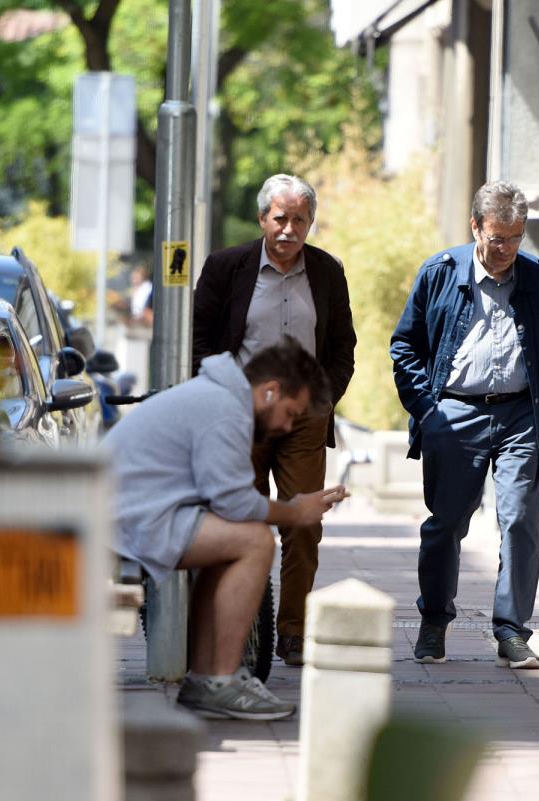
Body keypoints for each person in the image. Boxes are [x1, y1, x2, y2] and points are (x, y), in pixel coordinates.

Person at [389, 180, 539, 670]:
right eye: (498, 239)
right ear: (476, 227)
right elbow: (404, 347)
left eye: (516, 238)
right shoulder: (439, 272)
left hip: (521, 414)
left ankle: (512, 631)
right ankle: (434, 621)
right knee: (446, 523)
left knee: (520, 520)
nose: (506, 249)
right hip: (455, 413)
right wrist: (428, 412)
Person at [104, 338, 348, 719]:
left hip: (126, 516)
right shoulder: (225, 410)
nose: (286, 427)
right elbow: (234, 503)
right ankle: (218, 680)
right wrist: (295, 511)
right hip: (125, 522)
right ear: (270, 391)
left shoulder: (218, 399)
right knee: (255, 541)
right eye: (290, 413)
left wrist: (294, 508)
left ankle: (208, 680)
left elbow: (228, 502)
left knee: (237, 539)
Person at [192, 173, 357, 668]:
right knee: (238, 519)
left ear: (311, 223)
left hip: (303, 419)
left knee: (303, 523)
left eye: (300, 220)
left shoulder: (326, 272)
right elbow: (198, 339)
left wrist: (322, 399)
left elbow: (342, 347)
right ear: (263, 218)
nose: (289, 229)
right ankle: (240, 628)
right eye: (280, 218)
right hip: (238, 415)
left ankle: (293, 632)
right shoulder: (227, 268)